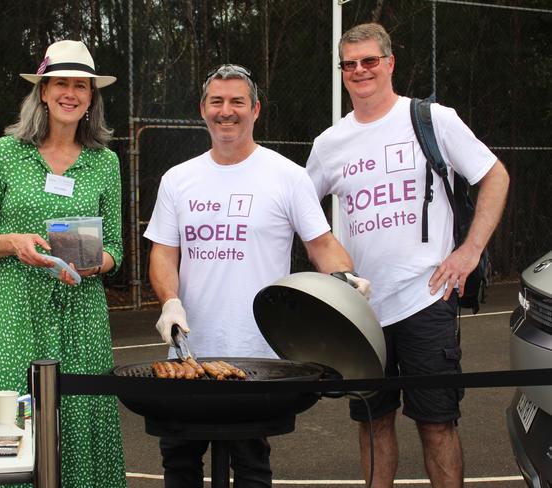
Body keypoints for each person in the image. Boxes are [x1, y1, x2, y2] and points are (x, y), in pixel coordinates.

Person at [143, 63, 370, 488]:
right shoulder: (178, 179)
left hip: (258, 358)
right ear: (202, 109)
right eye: (217, 102)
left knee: (250, 466)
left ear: (255, 110)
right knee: (180, 464)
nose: (226, 112)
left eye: (237, 102)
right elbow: (163, 253)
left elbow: (321, 244)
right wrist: (169, 300)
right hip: (189, 353)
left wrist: (347, 279)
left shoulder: (287, 176)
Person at [306, 23, 510, 488]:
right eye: (349, 64)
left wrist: (468, 252)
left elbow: (495, 176)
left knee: (437, 424)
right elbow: (302, 217)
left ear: (389, 63)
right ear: (342, 71)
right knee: (373, 423)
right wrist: (328, 277)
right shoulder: (329, 144)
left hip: (427, 300)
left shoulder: (433, 118)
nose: (360, 71)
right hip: (361, 312)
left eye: (369, 61)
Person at [0, 40, 126, 488]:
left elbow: (117, 249)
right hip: (20, 312)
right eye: (61, 84)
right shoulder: (5, 154)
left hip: (82, 313)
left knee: (80, 417)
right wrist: (13, 243)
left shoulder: (104, 162)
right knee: (15, 423)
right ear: (44, 92)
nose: (70, 93)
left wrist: (95, 263)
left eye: (81, 86)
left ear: (92, 98)